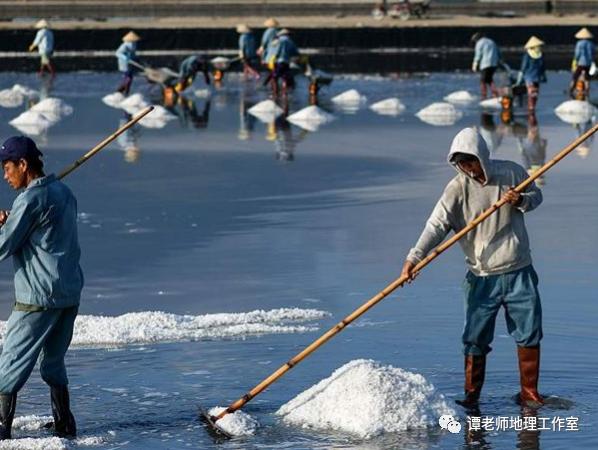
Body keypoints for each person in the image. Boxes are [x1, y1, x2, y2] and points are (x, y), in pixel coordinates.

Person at [401, 127, 544, 410]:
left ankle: (529, 392)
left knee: (529, 333)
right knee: (475, 339)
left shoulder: (511, 173)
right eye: (462, 164)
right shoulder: (457, 189)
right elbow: (437, 225)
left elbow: (536, 196)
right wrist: (414, 258)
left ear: (483, 157)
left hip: (519, 270)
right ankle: (472, 396)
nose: (469, 169)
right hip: (481, 277)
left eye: (472, 162)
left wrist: (521, 200)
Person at [0, 136, 83, 439]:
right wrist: (12, 222)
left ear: (23, 165)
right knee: (53, 363)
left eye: (7, 168)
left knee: (9, 364)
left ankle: (1, 428)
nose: (5, 176)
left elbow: (3, 246)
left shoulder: (30, 199)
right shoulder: (63, 191)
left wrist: (5, 226)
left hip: (38, 297)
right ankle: (64, 424)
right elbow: (44, 235)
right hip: (68, 292)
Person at [518, 36, 547, 112]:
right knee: (535, 94)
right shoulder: (540, 55)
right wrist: (544, 77)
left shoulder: (527, 56)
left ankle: (531, 109)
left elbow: (523, 68)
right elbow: (542, 68)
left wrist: (519, 79)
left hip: (529, 78)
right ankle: (533, 107)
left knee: (530, 93)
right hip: (537, 78)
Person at [471, 33, 501, 99]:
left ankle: (484, 96)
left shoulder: (479, 43)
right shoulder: (491, 41)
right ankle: (495, 94)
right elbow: (498, 52)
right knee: (489, 79)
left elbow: (478, 54)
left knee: (483, 81)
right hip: (494, 64)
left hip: (485, 64)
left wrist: (475, 64)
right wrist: (500, 61)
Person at [271, 29, 300, 96]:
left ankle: (275, 93)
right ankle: (285, 93)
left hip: (279, 61)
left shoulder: (280, 41)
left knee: (274, 78)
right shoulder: (291, 42)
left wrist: (274, 57)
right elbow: (295, 52)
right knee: (285, 78)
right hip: (287, 62)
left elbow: (277, 51)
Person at [570, 27, 595, 99]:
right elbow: (593, 53)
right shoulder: (591, 44)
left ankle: (571, 90)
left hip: (581, 63)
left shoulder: (579, 43)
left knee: (575, 77)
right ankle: (587, 91)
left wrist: (576, 60)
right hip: (588, 63)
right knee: (587, 78)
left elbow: (577, 54)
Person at [115, 31, 141, 95]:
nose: (134, 42)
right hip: (124, 64)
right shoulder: (124, 46)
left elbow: (133, 54)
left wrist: (136, 58)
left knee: (130, 78)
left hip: (131, 64)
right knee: (128, 78)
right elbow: (117, 53)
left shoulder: (134, 45)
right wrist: (125, 58)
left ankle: (125, 92)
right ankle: (121, 91)